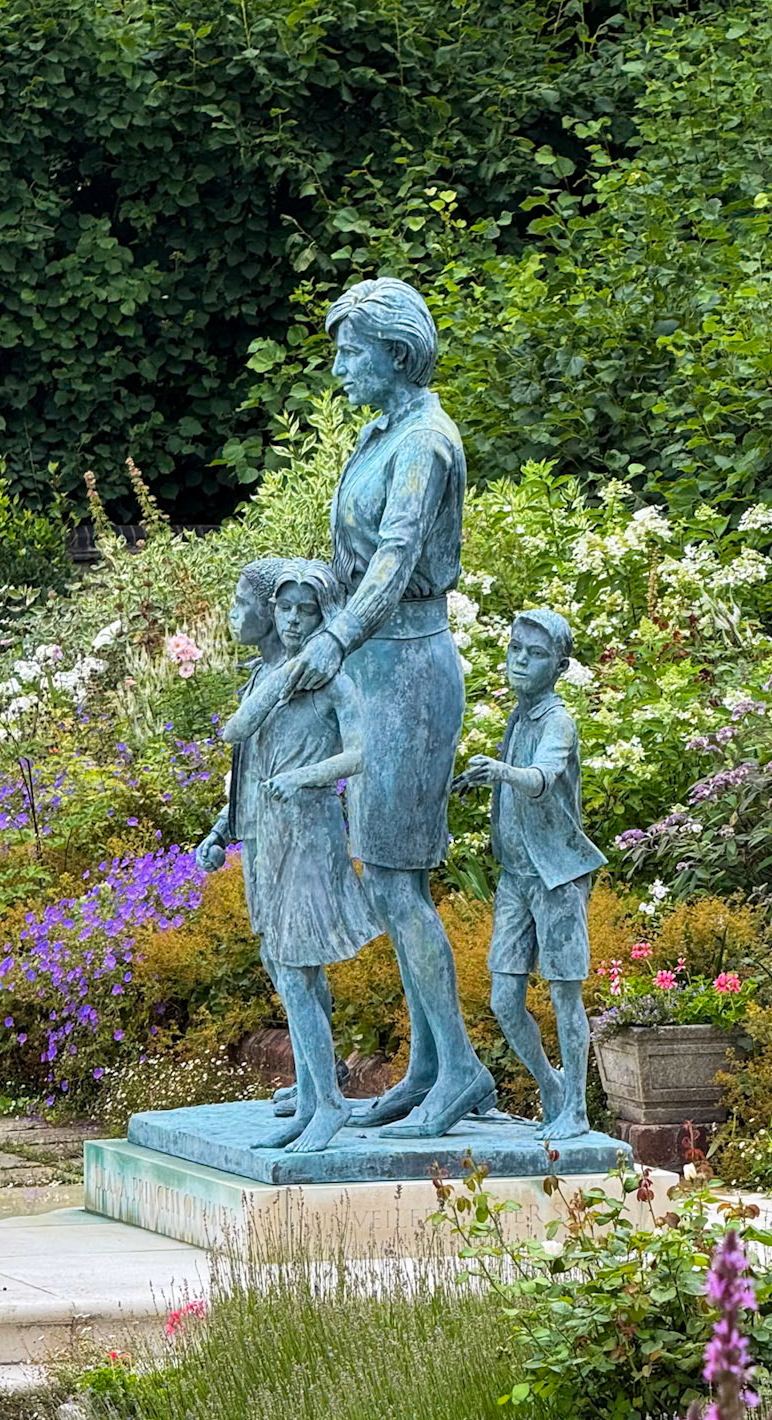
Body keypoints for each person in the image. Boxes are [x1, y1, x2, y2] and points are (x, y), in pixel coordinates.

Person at [279, 277, 494, 1138]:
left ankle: (461, 1072)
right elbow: (355, 555)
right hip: (376, 669)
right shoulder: (386, 433)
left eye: (349, 353)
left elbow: (396, 558)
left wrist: (334, 640)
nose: (337, 369)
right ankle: (427, 1070)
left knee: (400, 883)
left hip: (408, 672)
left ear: (396, 357)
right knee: (386, 874)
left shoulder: (425, 444)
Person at [220, 559, 380, 1153]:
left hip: (310, 836)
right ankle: (312, 1098)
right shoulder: (269, 675)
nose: (291, 620)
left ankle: (329, 1105)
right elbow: (244, 748)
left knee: (297, 969)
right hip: (266, 838)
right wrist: (222, 831)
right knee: (282, 970)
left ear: (324, 615)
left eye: (305, 611)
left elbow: (361, 754)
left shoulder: (333, 680)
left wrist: (310, 777)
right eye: (284, 608)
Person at [453, 607, 603, 1141]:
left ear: (559, 667)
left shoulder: (557, 721)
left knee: (565, 994)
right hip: (517, 877)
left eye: (535, 654)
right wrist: (476, 782)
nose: (519, 660)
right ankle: (551, 1083)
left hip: (557, 877)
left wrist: (500, 773)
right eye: (515, 648)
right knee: (502, 999)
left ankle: (578, 1112)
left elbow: (541, 779)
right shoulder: (519, 716)